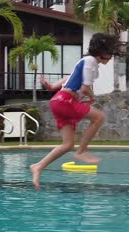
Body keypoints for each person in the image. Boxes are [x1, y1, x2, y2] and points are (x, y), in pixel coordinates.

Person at [30, 33, 119, 189]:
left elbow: (67, 79)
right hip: (65, 101)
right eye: (110, 52)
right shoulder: (90, 60)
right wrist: (92, 96)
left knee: (68, 144)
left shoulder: (87, 62)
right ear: (103, 52)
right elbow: (85, 88)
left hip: (58, 101)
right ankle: (81, 152)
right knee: (99, 118)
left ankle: (38, 166)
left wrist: (51, 86)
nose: (111, 56)